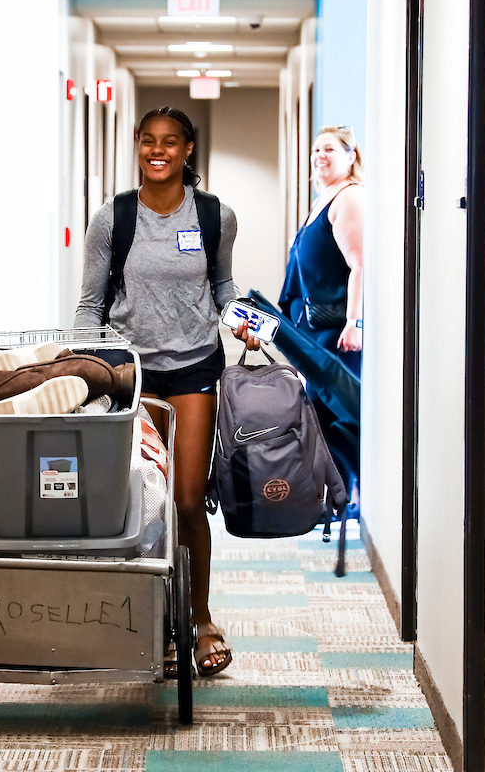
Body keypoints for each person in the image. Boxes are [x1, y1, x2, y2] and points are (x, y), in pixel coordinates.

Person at [75, 106, 256, 677]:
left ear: (187, 151)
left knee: (185, 498)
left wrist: (237, 317)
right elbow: (90, 304)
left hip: (195, 365)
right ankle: (141, 613)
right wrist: (88, 363)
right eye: (149, 141)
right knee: (134, 498)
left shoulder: (214, 216)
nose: (159, 150)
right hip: (131, 372)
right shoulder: (113, 219)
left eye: (170, 142)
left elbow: (222, 286)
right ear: (138, 146)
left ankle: (201, 619)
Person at [277, 125, 364, 485]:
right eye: (315, 150)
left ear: (350, 156)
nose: (320, 156)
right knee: (317, 412)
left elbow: (360, 264)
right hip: (315, 330)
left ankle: (346, 496)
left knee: (335, 415)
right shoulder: (323, 199)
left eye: (329, 149)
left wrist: (354, 323)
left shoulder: (349, 198)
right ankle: (331, 497)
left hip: (336, 333)